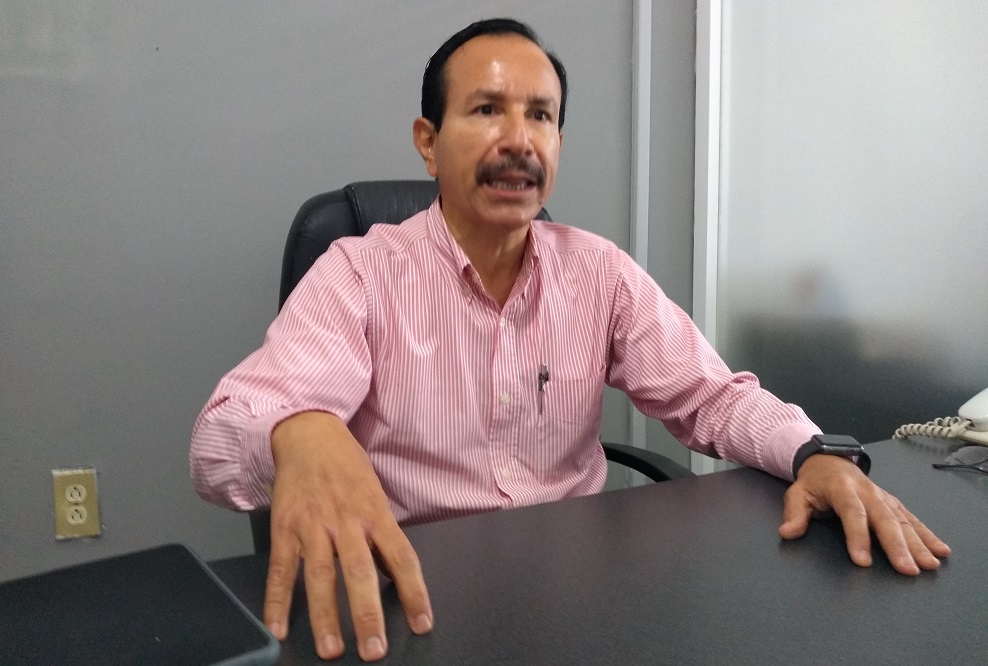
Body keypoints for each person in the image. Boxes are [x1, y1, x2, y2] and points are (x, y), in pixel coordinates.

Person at [190, 18, 950, 662]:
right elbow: (218, 441)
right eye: (486, 110)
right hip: (407, 597)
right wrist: (299, 432)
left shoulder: (598, 273)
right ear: (428, 140)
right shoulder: (359, 272)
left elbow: (711, 397)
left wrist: (815, 453)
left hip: (577, 596)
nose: (518, 140)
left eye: (541, 117)